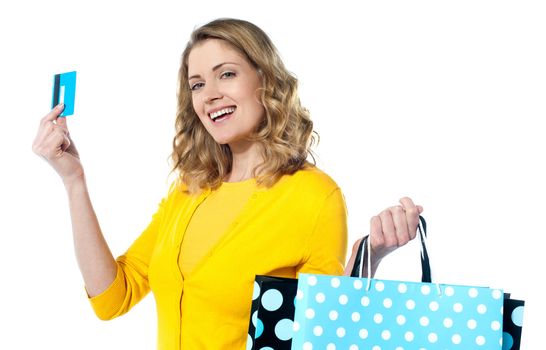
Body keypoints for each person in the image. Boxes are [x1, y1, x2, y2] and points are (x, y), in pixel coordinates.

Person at [32, 18, 423, 350]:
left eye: (227, 74)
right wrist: (74, 181)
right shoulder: (189, 190)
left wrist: (368, 259)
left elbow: (315, 334)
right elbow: (111, 298)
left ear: (265, 81)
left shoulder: (314, 196)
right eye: (198, 84)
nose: (210, 95)